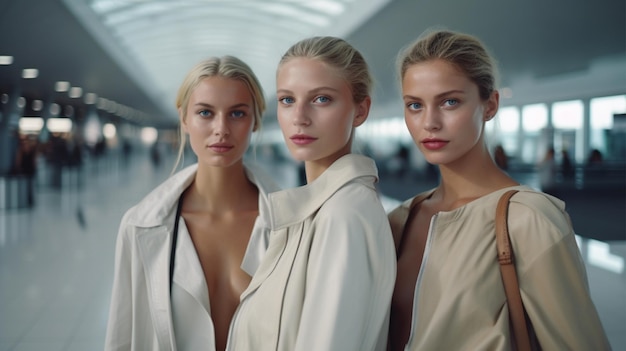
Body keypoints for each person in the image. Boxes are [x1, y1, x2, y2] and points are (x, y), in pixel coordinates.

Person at [387, 29, 610, 350]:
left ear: (490, 105)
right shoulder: (401, 220)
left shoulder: (529, 219)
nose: (430, 122)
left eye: (450, 102)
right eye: (415, 105)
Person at [227, 36, 396, 350]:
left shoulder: (344, 216)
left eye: (321, 99)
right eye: (287, 100)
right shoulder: (316, 210)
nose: (299, 117)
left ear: (361, 110)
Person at [104, 56, 280, 351]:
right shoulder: (140, 226)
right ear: (184, 119)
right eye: (205, 113)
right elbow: (123, 336)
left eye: (237, 114)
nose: (221, 128)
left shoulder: (293, 225)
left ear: (256, 121)